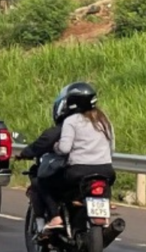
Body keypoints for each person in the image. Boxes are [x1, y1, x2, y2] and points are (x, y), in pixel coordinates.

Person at [41, 82, 116, 230]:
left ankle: (56, 217)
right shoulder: (104, 120)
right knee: (104, 185)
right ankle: (103, 213)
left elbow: (64, 148)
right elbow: (112, 148)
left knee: (44, 183)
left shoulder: (71, 121)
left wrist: (55, 146)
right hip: (107, 171)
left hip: (77, 172)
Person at [15, 97, 66, 219]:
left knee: (41, 182)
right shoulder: (98, 127)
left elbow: (42, 143)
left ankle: (54, 216)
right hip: (101, 170)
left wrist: (25, 153)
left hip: (73, 171)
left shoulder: (64, 128)